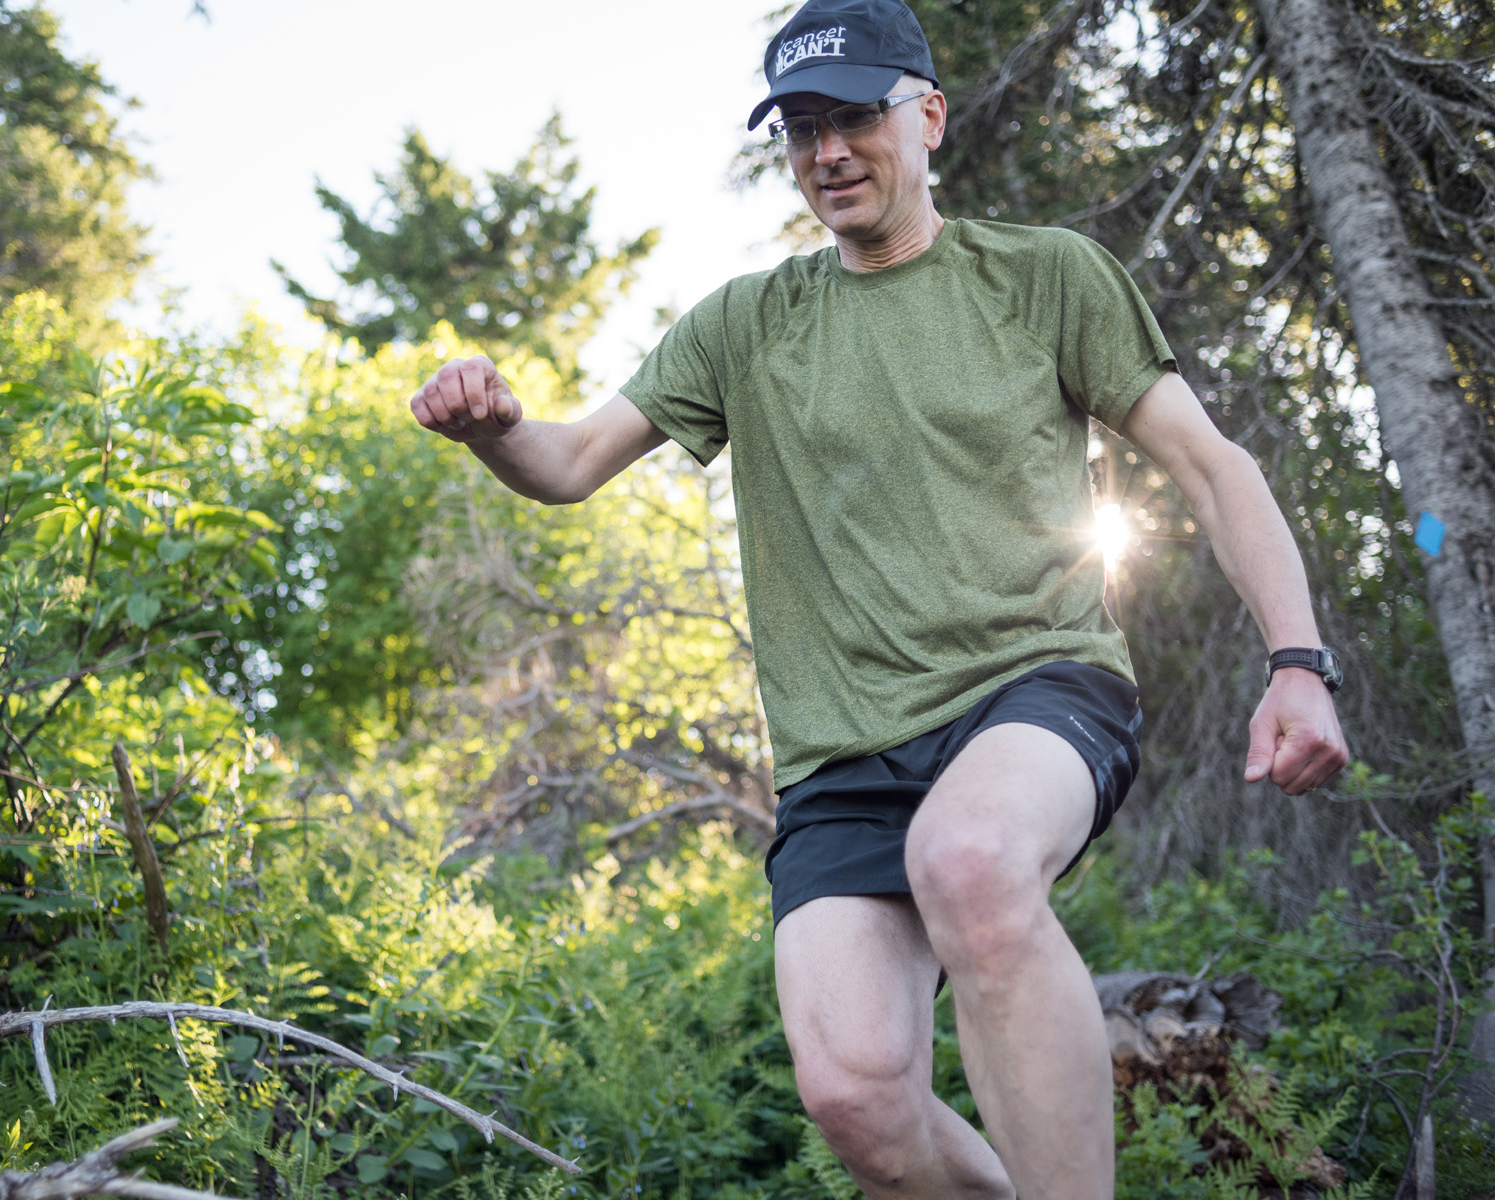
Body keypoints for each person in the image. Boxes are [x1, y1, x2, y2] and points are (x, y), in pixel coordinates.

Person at [405, 0, 1351, 1194]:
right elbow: (569, 464)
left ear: (930, 117)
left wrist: (1298, 662)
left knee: (969, 863)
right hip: (841, 756)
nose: (827, 152)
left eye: (854, 116)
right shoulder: (746, 325)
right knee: (853, 1091)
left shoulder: (1042, 276)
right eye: (801, 128)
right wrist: (494, 427)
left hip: (1035, 686)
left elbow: (1215, 470)